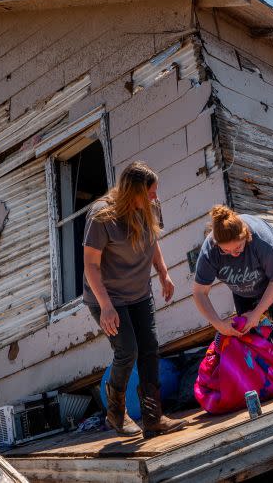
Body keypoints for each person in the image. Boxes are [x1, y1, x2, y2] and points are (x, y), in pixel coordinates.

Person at [83, 161, 186, 438]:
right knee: (127, 350)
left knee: (150, 348)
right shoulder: (101, 216)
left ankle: (153, 419)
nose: (155, 197)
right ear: (133, 192)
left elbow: (152, 241)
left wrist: (164, 274)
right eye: (150, 192)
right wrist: (105, 306)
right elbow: (91, 266)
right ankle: (116, 414)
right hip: (108, 297)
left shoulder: (150, 207)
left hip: (140, 293)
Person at [191, 205, 273, 397]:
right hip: (242, 285)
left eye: (238, 248)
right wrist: (218, 324)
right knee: (246, 330)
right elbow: (199, 292)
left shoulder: (263, 241)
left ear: (246, 236)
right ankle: (262, 377)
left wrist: (258, 312)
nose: (234, 254)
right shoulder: (209, 251)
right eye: (227, 251)